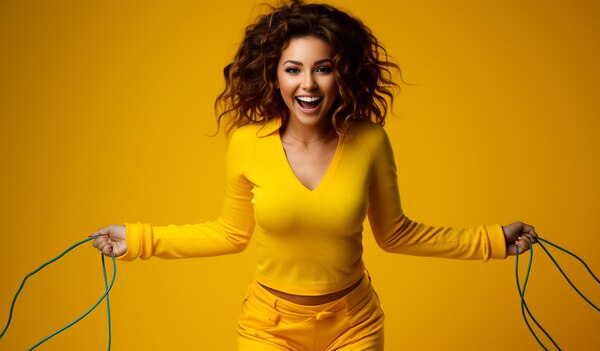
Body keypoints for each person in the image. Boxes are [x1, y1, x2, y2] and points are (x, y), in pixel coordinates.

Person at [90, 1, 538, 350]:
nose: (308, 84)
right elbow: (229, 233)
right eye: (293, 70)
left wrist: (494, 240)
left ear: (341, 75)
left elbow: (396, 234)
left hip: (353, 324)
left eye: (322, 69)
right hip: (269, 326)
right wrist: (138, 240)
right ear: (274, 76)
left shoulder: (369, 141)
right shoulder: (248, 143)